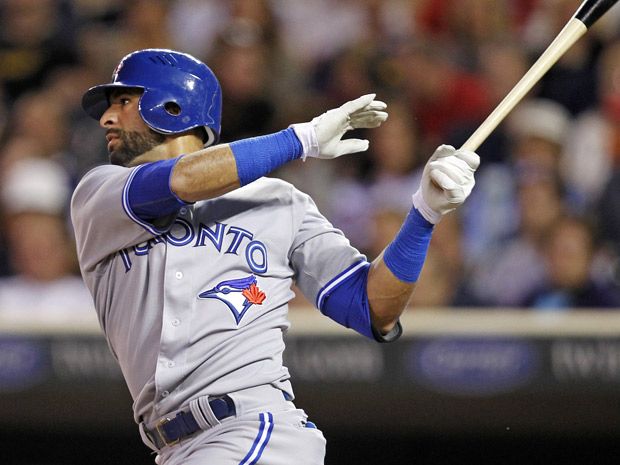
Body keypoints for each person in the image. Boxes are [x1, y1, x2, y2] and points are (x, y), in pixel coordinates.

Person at [70, 48, 479, 465]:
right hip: (176, 449)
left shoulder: (279, 202)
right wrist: (300, 140)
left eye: (123, 102)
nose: (106, 118)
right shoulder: (99, 194)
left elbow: (373, 307)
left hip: (255, 431)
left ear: (171, 107)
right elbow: (183, 179)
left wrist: (424, 216)